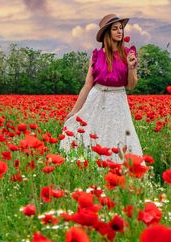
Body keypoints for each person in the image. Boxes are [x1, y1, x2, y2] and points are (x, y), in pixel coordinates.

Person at [59, 14, 144, 163]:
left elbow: (131, 86)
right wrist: (74, 111)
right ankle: (92, 169)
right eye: (115, 29)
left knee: (118, 136)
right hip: (96, 99)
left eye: (121, 29)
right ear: (107, 33)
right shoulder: (96, 55)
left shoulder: (129, 53)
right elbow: (87, 85)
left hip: (118, 101)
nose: (119, 32)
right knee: (94, 135)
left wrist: (131, 68)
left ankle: (119, 171)